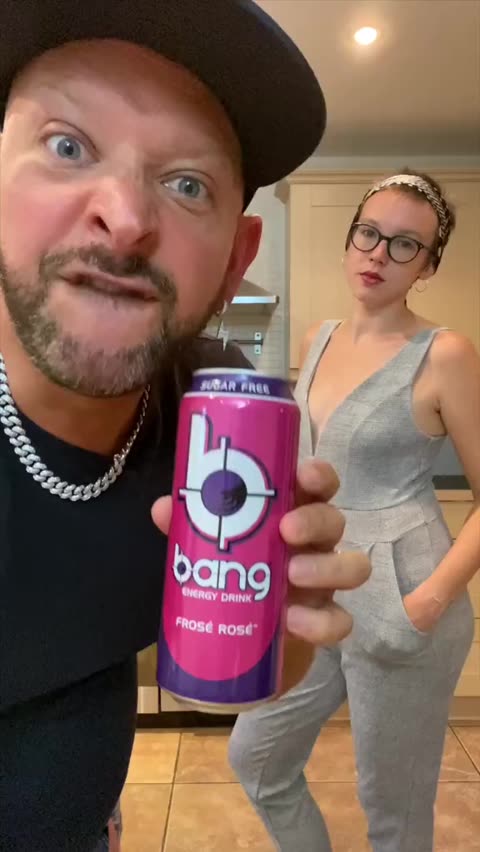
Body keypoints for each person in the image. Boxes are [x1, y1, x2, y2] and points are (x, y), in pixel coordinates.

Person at [0, 2, 372, 850]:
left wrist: (289, 617)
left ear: (236, 258)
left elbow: (266, 669)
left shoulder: (214, 407)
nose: (127, 216)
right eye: (68, 146)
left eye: (187, 184)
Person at [230, 170, 480, 852]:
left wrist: (425, 604)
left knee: (392, 812)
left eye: (405, 245)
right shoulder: (318, 338)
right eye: (369, 234)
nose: (379, 254)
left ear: (428, 265)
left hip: (405, 594)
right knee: (256, 759)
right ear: (350, 240)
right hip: (322, 592)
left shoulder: (446, 355)